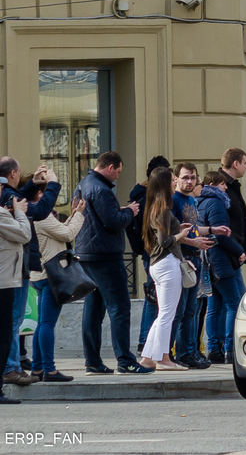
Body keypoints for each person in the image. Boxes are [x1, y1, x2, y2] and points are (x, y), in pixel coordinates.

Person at [137, 167, 211, 372]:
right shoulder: (162, 209)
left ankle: (148, 358)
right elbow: (166, 241)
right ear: (163, 183)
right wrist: (180, 235)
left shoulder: (156, 207)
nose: (175, 182)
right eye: (172, 180)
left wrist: (179, 229)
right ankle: (163, 358)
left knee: (164, 314)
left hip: (159, 264)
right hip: (167, 264)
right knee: (167, 315)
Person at [74, 151, 141, 374]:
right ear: (110, 168)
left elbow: (96, 217)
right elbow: (112, 222)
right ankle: (125, 361)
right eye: (118, 172)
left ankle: (92, 361)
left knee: (93, 310)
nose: (118, 177)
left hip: (87, 255)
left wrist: (119, 211)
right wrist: (130, 212)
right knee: (119, 307)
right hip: (106, 256)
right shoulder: (101, 189)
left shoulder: (84, 184)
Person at [1, 158, 60, 385]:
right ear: (14, 173)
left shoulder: (8, 195)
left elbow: (18, 197)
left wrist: (34, 184)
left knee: (12, 320)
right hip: (15, 268)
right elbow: (40, 211)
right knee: (14, 320)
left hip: (16, 267)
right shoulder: (8, 198)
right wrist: (52, 184)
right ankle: (12, 368)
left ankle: (13, 366)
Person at [26, 185, 84, 382]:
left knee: (43, 323)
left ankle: (37, 369)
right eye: (43, 192)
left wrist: (72, 215)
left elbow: (58, 232)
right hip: (51, 276)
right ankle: (49, 369)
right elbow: (68, 235)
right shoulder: (41, 214)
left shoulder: (31, 213)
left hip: (39, 276)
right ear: (39, 194)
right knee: (47, 324)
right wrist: (79, 215)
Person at [196, 171, 246, 363]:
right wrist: (238, 250)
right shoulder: (216, 202)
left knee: (214, 306)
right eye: (222, 184)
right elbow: (221, 234)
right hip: (219, 260)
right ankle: (230, 349)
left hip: (207, 260)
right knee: (234, 303)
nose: (225, 188)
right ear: (213, 185)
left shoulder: (199, 202)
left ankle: (214, 349)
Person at [171, 164, 214, 370]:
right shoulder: (173, 200)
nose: (189, 182)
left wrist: (212, 230)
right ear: (176, 178)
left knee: (192, 310)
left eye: (193, 178)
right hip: (182, 259)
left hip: (196, 259)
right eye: (185, 177)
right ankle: (181, 353)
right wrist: (194, 242)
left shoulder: (191, 200)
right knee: (181, 311)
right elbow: (171, 236)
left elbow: (194, 228)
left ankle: (191, 351)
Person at [131, 156, 171, 351]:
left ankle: (144, 341)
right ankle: (146, 342)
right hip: (156, 255)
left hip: (148, 254)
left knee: (153, 299)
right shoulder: (151, 199)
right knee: (155, 301)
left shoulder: (140, 196)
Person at [0, 193, 30, 403]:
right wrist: (19, 213)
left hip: (5, 280)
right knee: (3, 337)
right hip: (3, 284)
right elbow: (24, 234)